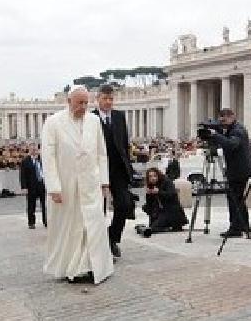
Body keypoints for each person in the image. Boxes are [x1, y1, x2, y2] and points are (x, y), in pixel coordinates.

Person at [41, 87, 114, 284]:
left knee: (93, 224)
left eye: (86, 103)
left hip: (91, 183)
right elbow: (48, 157)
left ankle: (92, 266)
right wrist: (54, 187)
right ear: (69, 101)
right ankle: (72, 267)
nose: (83, 107)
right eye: (79, 103)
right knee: (71, 227)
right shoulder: (53, 122)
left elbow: (101, 153)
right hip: (66, 185)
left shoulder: (94, 121)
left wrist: (104, 181)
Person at [92, 84, 134, 259]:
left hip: (118, 169)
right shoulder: (90, 118)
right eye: (105, 99)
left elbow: (124, 143)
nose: (108, 102)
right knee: (99, 211)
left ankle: (112, 237)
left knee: (124, 205)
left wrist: (128, 166)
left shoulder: (119, 116)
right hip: (97, 170)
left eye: (111, 99)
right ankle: (99, 245)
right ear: (98, 99)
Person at [206, 108, 251, 238]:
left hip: (239, 170)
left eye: (225, 118)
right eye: (221, 119)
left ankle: (236, 228)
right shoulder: (232, 129)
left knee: (234, 199)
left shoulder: (237, 130)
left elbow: (231, 144)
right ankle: (243, 225)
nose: (222, 121)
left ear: (233, 116)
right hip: (237, 169)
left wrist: (215, 135)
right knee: (237, 199)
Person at [139, 167, 188, 236]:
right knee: (147, 211)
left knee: (154, 228)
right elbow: (150, 204)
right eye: (150, 177)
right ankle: (162, 224)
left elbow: (172, 195)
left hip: (170, 210)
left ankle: (171, 225)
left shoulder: (166, 182)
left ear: (158, 175)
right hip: (160, 210)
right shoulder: (151, 185)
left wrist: (159, 192)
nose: (153, 178)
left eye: (155, 176)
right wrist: (149, 194)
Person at [19, 144, 47, 229]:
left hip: (42, 185)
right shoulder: (25, 161)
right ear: (29, 150)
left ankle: (46, 221)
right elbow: (22, 175)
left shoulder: (42, 160)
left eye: (36, 149)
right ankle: (31, 222)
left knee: (45, 204)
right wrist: (24, 187)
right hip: (31, 186)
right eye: (32, 150)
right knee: (31, 205)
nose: (34, 151)